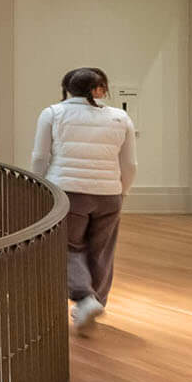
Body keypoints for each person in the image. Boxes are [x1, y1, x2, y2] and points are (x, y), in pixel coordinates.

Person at [32, 66, 138, 333]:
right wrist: (122, 191)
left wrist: (38, 185)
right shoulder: (120, 117)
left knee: (68, 247)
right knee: (102, 251)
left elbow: (40, 157)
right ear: (100, 89)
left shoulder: (53, 113)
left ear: (68, 88)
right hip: (109, 194)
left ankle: (84, 298)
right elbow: (130, 164)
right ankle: (94, 302)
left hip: (67, 192)